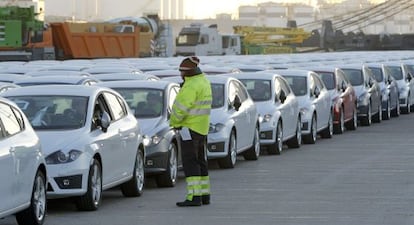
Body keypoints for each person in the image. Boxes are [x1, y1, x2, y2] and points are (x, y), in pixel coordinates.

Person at [170, 56, 212, 207]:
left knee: (190, 163)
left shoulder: (191, 86)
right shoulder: (204, 81)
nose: (180, 74)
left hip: (189, 128)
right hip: (201, 128)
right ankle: (205, 195)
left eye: (181, 71)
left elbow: (181, 108)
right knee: (201, 162)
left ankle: (194, 197)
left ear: (188, 72)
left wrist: (174, 122)